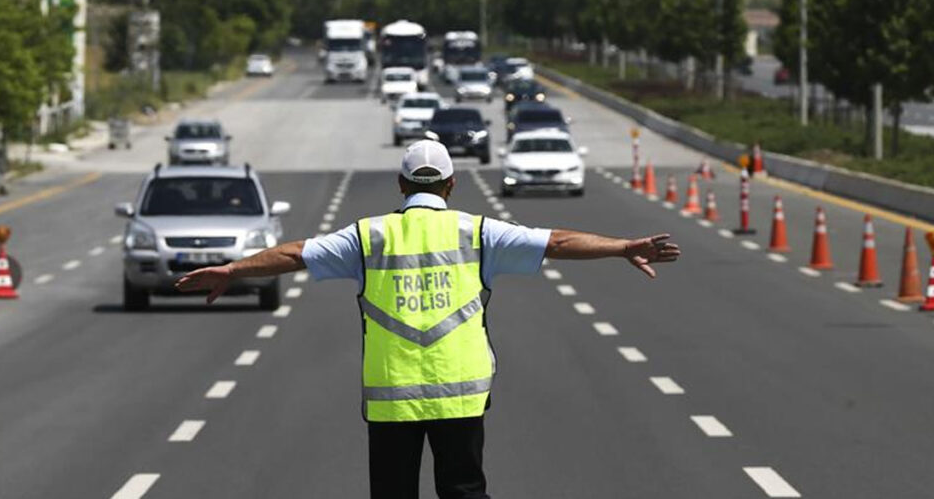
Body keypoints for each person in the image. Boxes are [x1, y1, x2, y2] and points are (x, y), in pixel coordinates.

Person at [176, 140, 681, 499]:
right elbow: (557, 242)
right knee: (464, 491)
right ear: (451, 184)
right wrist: (622, 247)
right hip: (461, 392)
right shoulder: (478, 232)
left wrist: (233, 268)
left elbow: (292, 254)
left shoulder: (368, 237)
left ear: (400, 185)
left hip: (392, 397)